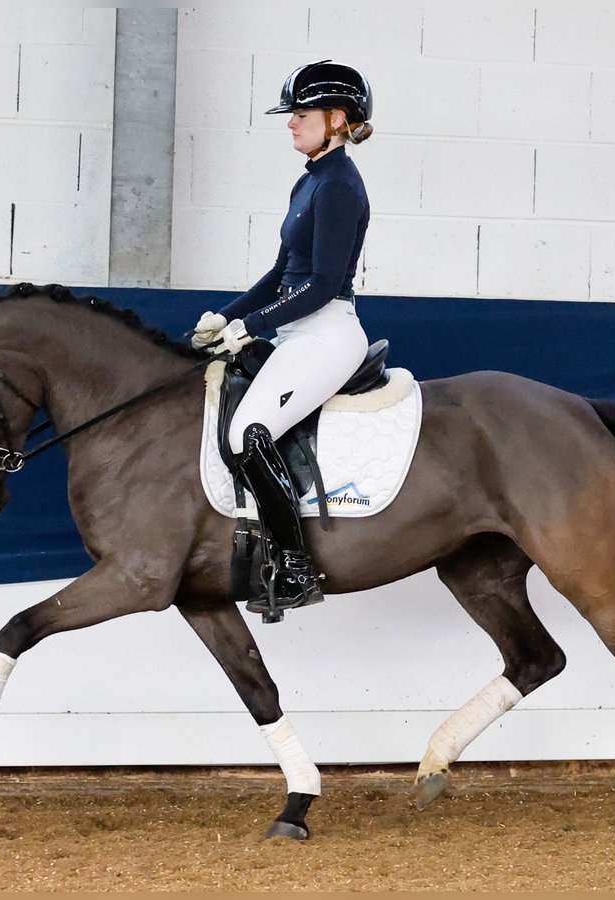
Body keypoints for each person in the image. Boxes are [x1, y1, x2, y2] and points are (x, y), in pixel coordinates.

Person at [191, 59, 374, 615]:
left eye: (300, 114)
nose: (290, 123)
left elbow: (320, 284)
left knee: (250, 430)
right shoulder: (310, 179)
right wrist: (226, 317)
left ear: (336, 118)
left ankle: (296, 568)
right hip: (296, 327)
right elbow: (280, 274)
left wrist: (252, 326)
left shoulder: (340, 185)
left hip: (326, 332)